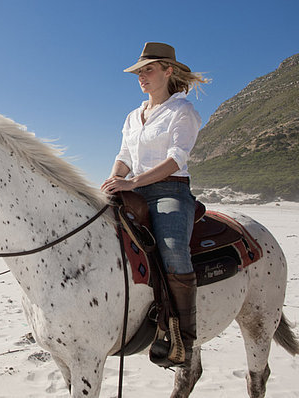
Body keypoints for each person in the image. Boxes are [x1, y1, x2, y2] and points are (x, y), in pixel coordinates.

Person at [101, 42, 209, 367]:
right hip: (132, 189)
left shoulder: (183, 112)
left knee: (174, 248)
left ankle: (183, 339)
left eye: (149, 69)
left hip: (169, 191)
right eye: (139, 72)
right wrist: (111, 181)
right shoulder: (133, 116)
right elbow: (123, 156)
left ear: (168, 70)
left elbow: (177, 159)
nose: (142, 77)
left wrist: (133, 182)